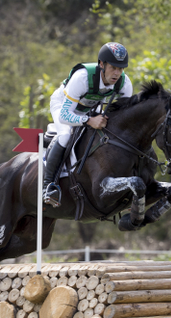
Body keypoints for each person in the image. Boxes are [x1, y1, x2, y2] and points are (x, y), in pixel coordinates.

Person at [43, 42, 134, 207]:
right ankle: (49, 186)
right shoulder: (82, 78)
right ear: (101, 64)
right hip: (63, 105)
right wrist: (89, 121)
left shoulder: (124, 84)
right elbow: (64, 115)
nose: (117, 73)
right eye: (113, 67)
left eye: (121, 69)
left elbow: (122, 119)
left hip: (89, 110)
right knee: (65, 136)